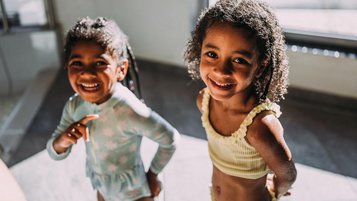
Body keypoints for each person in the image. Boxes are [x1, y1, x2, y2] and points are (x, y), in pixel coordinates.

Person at [46, 17, 180, 201]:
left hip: (135, 193)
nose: (86, 73)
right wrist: (63, 140)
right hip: (103, 188)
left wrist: (153, 174)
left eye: (100, 63)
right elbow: (54, 149)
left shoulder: (130, 110)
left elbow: (171, 139)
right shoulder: (74, 105)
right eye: (77, 63)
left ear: (121, 69)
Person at [184, 0, 297, 200]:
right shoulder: (204, 101)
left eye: (239, 60)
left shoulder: (260, 128)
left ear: (260, 67)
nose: (221, 70)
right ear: (199, 50)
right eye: (212, 54)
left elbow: (287, 174)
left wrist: (276, 191)